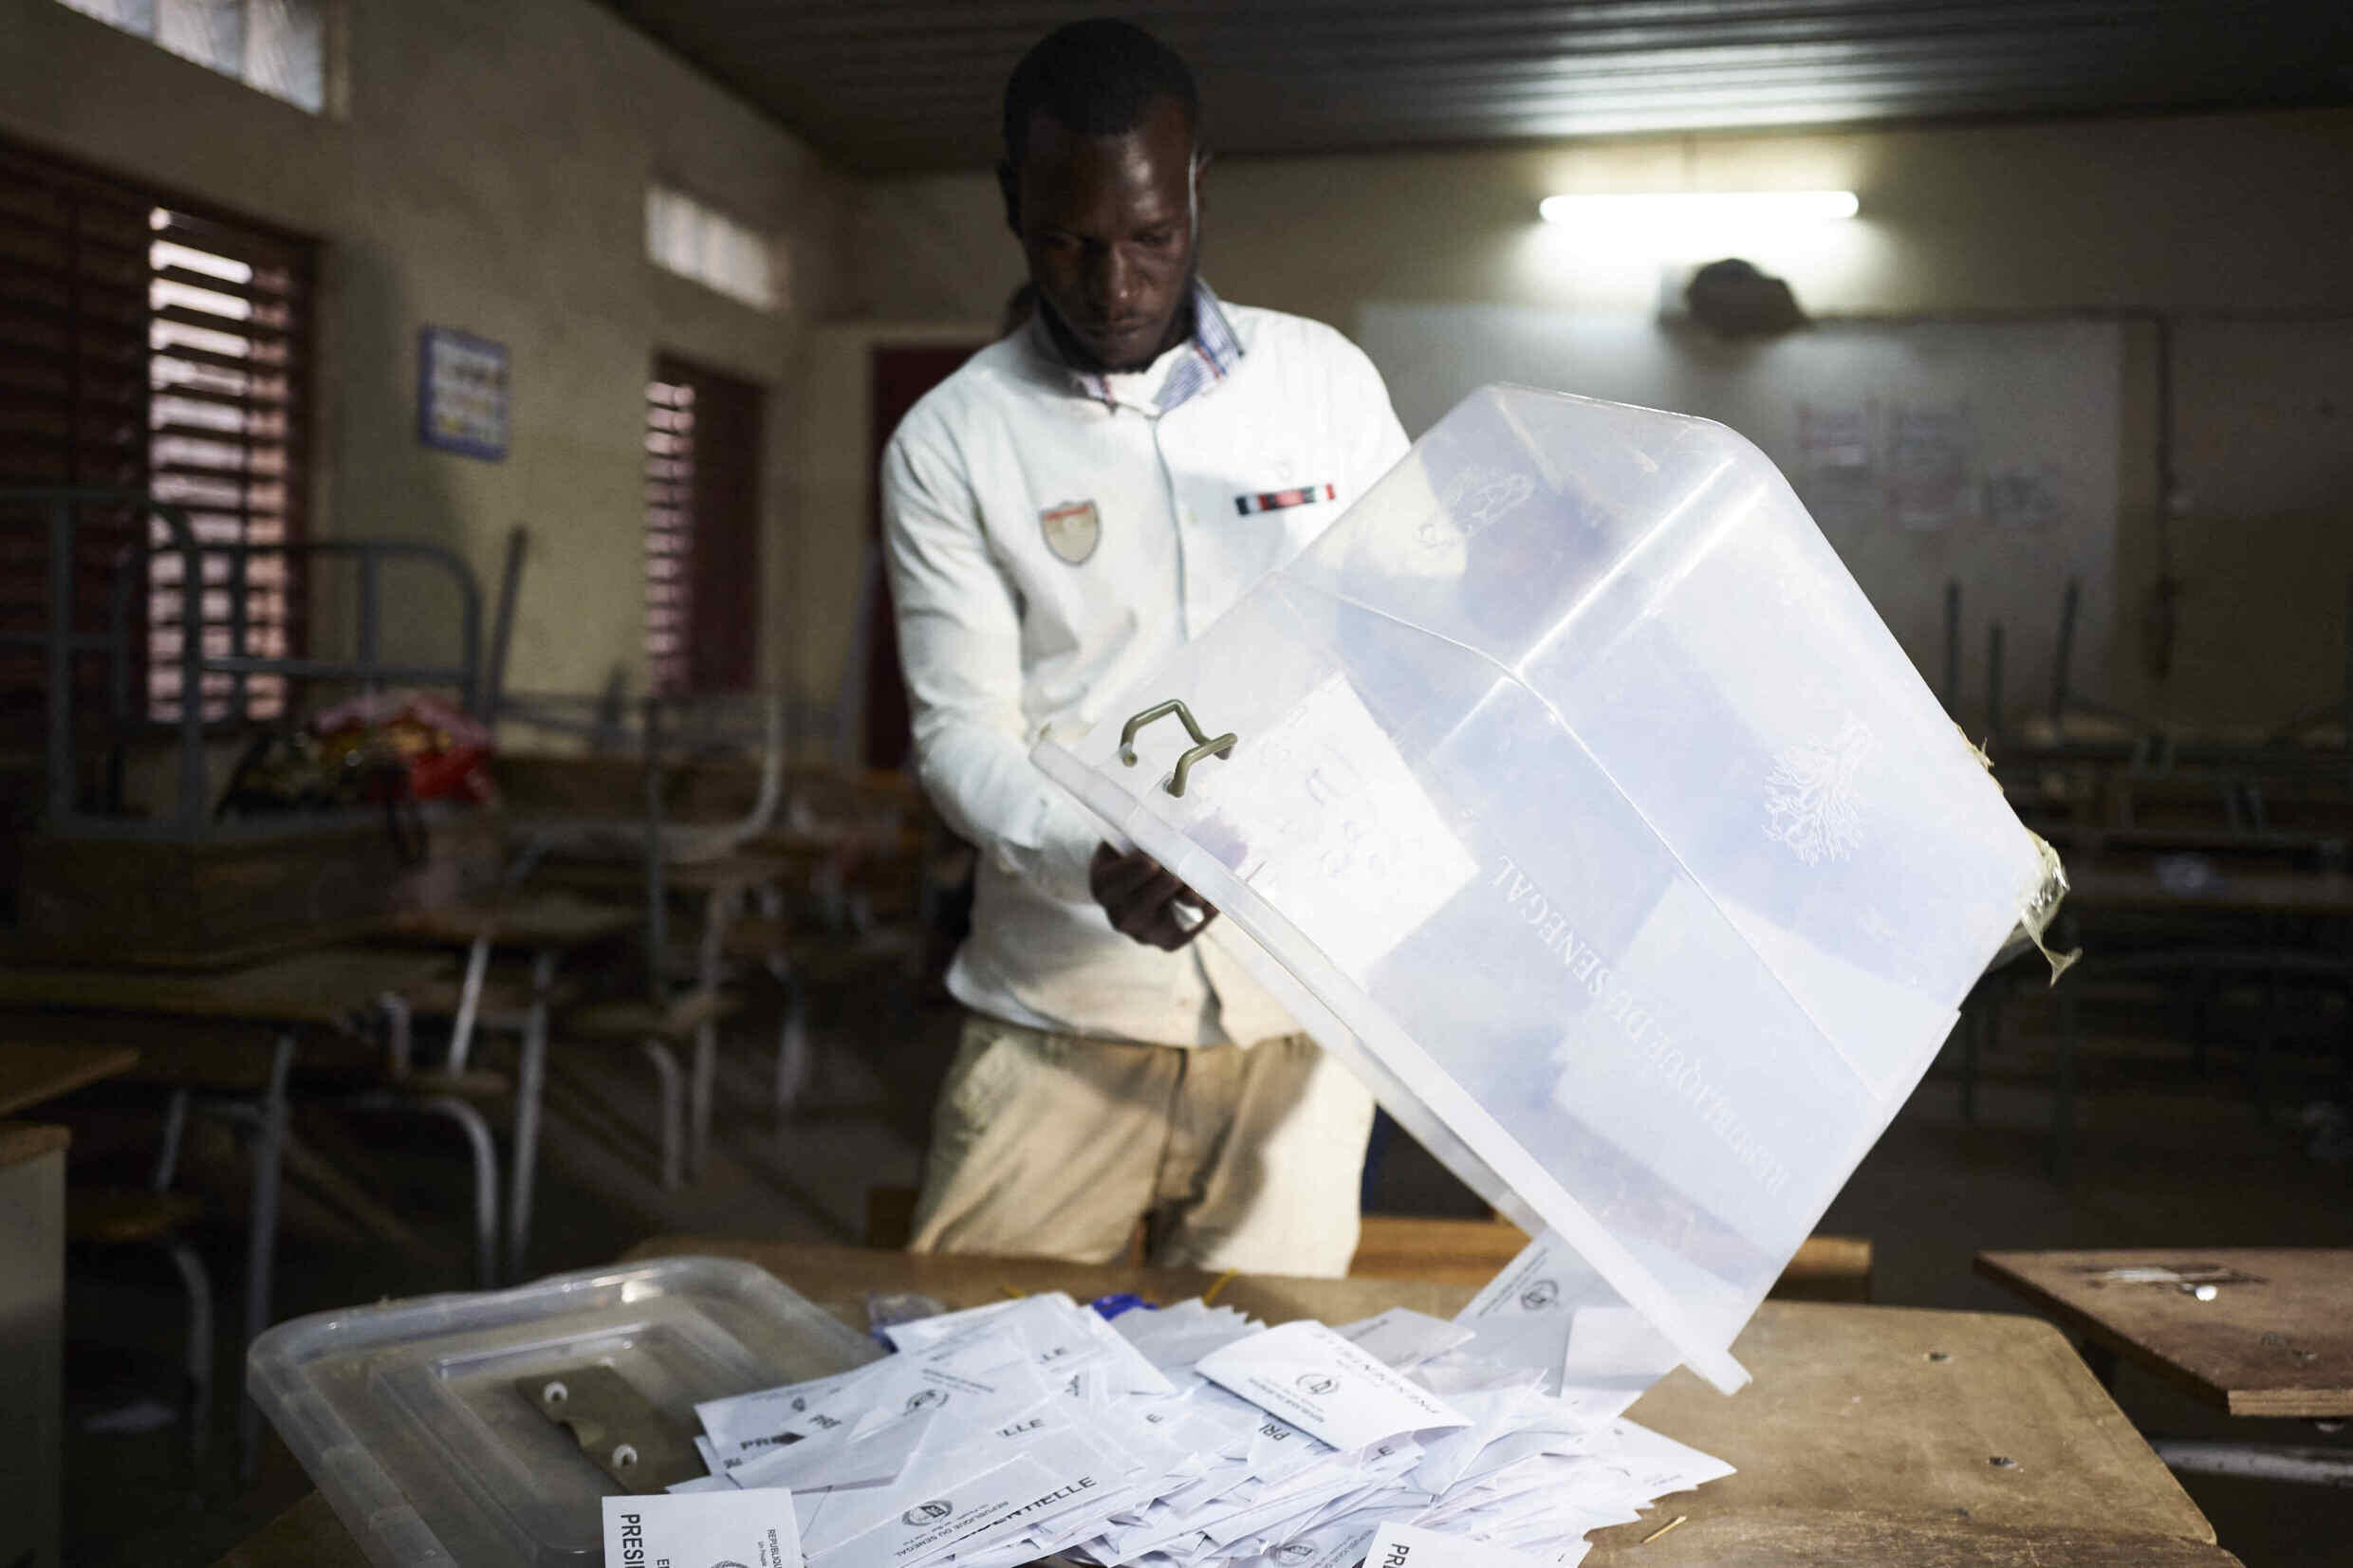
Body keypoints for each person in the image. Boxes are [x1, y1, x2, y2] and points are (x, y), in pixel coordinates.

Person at [881, 18, 1410, 1277]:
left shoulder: (1323, 386)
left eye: (1151, 238)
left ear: (1195, 188)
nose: (1114, 287)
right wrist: (1094, 853)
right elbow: (962, 734)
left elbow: (1412, 647)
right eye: (1069, 242)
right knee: (972, 1360)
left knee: (1271, 1377)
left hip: (1300, 1018)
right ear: (1013, 204)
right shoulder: (953, 441)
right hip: (1062, 1015)